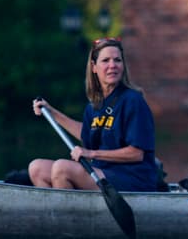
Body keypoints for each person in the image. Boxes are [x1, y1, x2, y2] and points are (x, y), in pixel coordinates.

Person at [29, 36, 161, 193]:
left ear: (123, 65)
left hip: (133, 178)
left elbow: (137, 154)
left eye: (117, 60)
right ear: (94, 67)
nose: (112, 65)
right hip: (102, 172)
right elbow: (87, 133)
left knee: (62, 168)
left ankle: (70, 216)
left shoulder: (133, 100)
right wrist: (52, 112)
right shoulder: (94, 106)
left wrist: (92, 153)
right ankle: (56, 213)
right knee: (37, 168)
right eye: (106, 61)